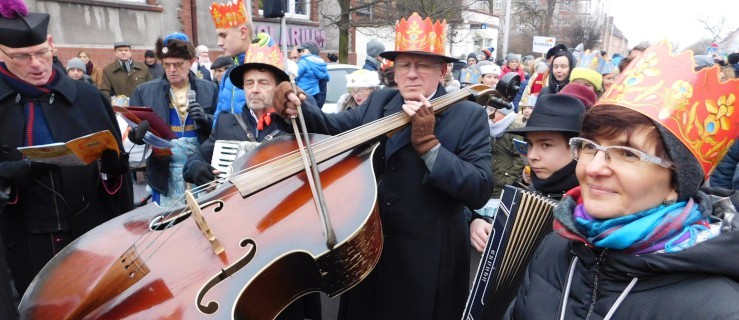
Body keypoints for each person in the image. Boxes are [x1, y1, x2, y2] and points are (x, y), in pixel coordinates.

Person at [271, 12, 493, 319]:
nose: (412, 74)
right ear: (394, 70)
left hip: (428, 262)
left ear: (442, 71)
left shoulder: (467, 115)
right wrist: (294, 105)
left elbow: (479, 188)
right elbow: (331, 128)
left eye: (423, 65)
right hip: (372, 254)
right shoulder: (380, 103)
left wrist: (430, 146)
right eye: (404, 65)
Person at [505, 41, 739, 319]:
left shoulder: (716, 308)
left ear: (676, 183)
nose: (594, 168)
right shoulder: (556, 246)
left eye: (627, 153)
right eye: (590, 146)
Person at [182, 36, 321, 320]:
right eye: (249, 83)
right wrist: (199, 170)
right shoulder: (226, 122)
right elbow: (195, 160)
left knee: (285, 302)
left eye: (263, 83)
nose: (254, 90)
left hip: (282, 230)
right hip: (234, 230)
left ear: (279, 88)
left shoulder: (297, 124)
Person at [0, 4, 133, 296]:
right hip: (21, 239)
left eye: (42, 53)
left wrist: (115, 168)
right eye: (22, 57)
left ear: (51, 45)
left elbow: (117, 179)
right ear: (1, 53)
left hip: (88, 234)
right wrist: (9, 172)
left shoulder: (87, 97)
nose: (36, 64)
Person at [470, 94, 586, 253]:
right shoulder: (529, 194)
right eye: (530, 144)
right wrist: (481, 224)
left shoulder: (588, 207)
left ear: (577, 149)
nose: (531, 155)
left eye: (545, 145)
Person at [129, 33, 217, 207]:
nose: (171, 70)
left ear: (191, 62)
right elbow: (134, 133)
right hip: (164, 170)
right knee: (167, 225)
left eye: (177, 64)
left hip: (200, 168)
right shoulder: (144, 91)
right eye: (166, 64)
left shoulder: (210, 88)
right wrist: (136, 136)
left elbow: (222, 128)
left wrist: (206, 119)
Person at [209, 0, 252, 124]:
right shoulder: (228, 74)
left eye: (223, 35)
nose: (219, 42)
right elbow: (219, 113)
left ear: (243, 33)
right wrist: (214, 141)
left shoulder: (267, 69)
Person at [296, 39, 330, 108]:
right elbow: (327, 77)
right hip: (315, 93)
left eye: (302, 50)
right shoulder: (321, 63)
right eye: (300, 51)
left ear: (310, 50)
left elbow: (293, 75)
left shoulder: (303, 62)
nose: (300, 53)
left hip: (302, 93)